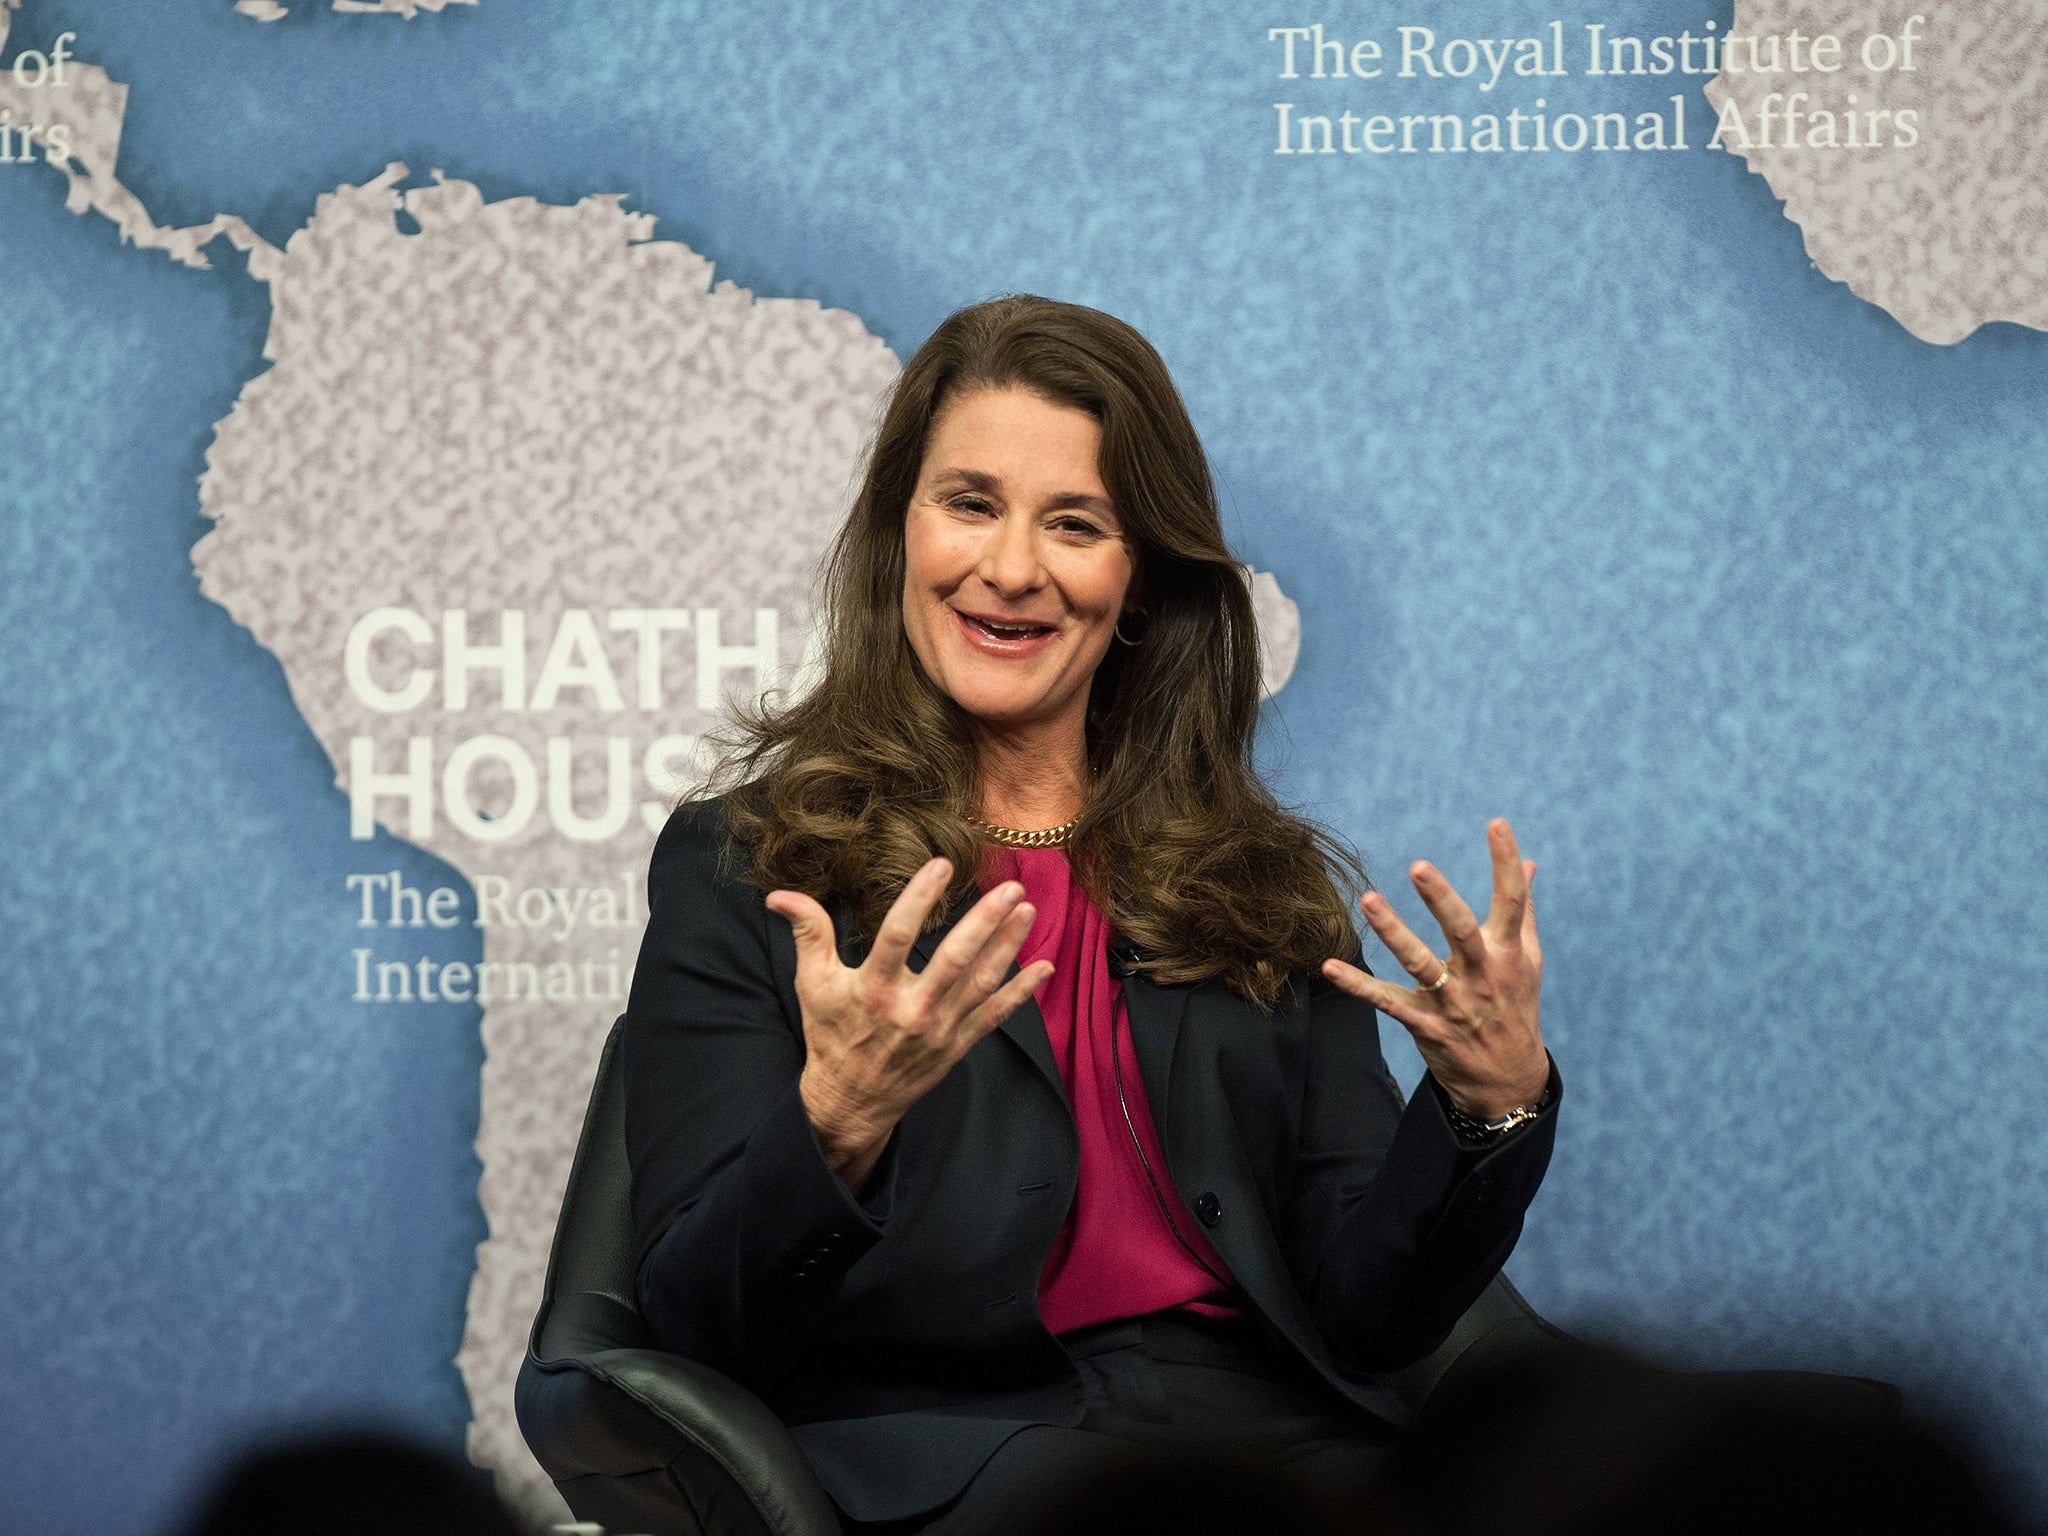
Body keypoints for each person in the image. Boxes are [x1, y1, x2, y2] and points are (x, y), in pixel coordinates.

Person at [621, 294, 1560, 1534]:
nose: (1008, 569)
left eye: (1074, 524)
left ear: (1144, 582)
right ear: (900, 528)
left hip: (1265, 1432)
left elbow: (1366, 1312)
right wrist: (837, 1118)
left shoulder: (1255, 883)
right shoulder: (750, 866)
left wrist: (1488, 1105)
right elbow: (696, 1324)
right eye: (968, 504)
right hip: (960, 1449)